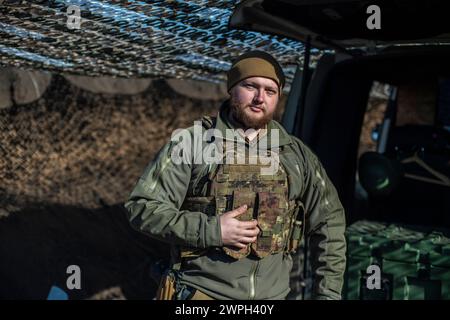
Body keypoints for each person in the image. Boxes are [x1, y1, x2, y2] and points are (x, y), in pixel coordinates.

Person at [124, 51, 346, 300]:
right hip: (202, 295)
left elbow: (330, 222)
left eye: (270, 91)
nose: (260, 98)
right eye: (250, 86)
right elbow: (142, 207)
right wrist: (212, 230)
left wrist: (327, 295)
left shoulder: (297, 155)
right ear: (232, 90)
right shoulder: (193, 144)